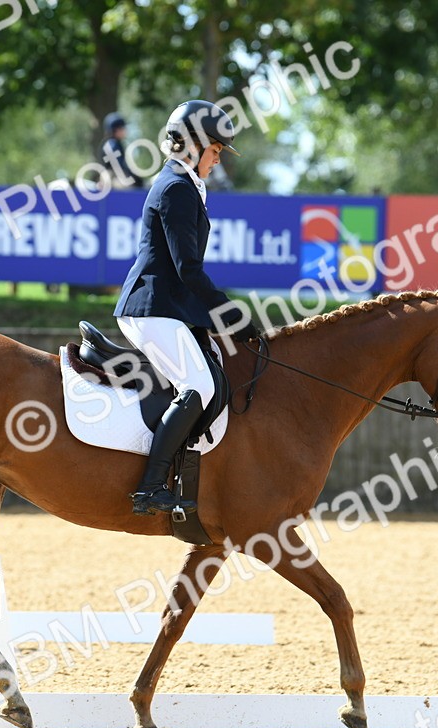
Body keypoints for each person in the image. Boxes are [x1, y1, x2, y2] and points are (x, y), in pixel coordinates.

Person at [113, 99, 260, 516]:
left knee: (212, 373)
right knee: (201, 386)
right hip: (150, 307)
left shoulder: (185, 184)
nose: (218, 161)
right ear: (195, 146)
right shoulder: (176, 187)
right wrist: (232, 315)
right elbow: (189, 271)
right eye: (215, 151)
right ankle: (150, 486)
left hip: (168, 306)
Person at [100, 112, 140, 190]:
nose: (125, 130)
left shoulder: (113, 143)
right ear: (116, 130)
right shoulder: (112, 144)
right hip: (112, 177)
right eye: (123, 128)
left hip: (114, 175)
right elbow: (118, 166)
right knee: (129, 188)